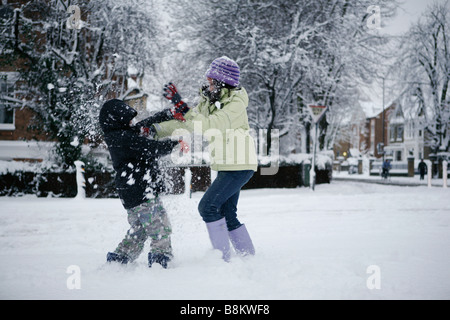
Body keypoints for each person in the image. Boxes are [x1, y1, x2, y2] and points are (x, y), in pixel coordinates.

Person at [150, 56, 258, 262]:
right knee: (228, 214)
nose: (207, 83)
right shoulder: (209, 102)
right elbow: (190, 123)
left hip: (239, 165)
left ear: (221, 81)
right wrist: (155, 130)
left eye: (211, 80)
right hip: (227, 165)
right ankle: (247, 257)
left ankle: (222, 259)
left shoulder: (235, 104)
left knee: (207, 207)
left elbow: (210, 125)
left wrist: (185, 109)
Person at [99, 99, 188, 268]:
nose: (133, 122)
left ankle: (119, 259)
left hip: (130, 193)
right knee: (160, 227)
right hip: (141, 191)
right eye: (129, 119)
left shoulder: (118, 135)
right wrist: (177, 143)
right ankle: (160, 260)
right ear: (119, 120)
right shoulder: (125, 138)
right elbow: (153, 148)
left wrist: (167, 114)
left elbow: (144, 124)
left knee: (139, 230)